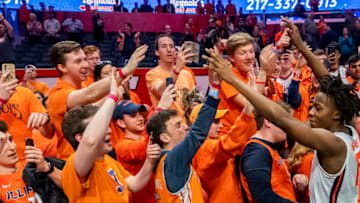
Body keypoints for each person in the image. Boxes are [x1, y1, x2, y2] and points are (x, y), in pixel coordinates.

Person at [203, 16, 360, 202]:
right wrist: (301, 46)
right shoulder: (350, 128)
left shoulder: (332, 143)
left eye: (317, 108)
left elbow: (282, 118)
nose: (311, 112)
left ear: (336, 114)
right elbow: (329, 82)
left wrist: (232, 79)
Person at [61, 71, 161, 202]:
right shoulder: (74, 164)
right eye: (99, 127)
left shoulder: (110, 162)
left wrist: (149, 161)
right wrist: (112, 97)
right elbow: (91, 141)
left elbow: (135, 184)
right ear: (80, 138)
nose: (108, 130)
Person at [47, 41, 148, 160]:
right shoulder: (58, 93)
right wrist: (124, 72)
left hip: (94, 156)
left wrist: (113, 96)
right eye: (78, 61)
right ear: (62, 67)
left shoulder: (82, 87)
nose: (85, 65)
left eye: (84, 59)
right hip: (73, 160)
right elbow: (91, 94)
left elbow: (92, 108)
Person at [147, 79, 220, 202]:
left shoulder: (161, 162)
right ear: (164, 137)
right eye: (178, 125)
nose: (186, 127)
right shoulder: (173, 160)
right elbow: (197, 133)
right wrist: (215, 88)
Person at [191, 70, 257, 202]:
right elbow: (229, 142)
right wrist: (249, 105)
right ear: (201, 124)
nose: (221, 126)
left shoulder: (202, 145)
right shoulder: (205, 148)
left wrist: (215, 85)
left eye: (220, 121)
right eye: (215, 122)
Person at [240, 101, 297, 202]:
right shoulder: (257, 152)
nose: (288, 128)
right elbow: (261, 195)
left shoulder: (266, 148)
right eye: (285, 122)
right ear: (268, 122)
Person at [0, 120, 61, 203]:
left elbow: (72, 184)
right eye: (2, 144)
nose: (12, 147)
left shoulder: (34, 166)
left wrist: (47, 168)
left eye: (10, 140)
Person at [112, 100, 157, 203]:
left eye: (141, 115)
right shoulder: (121, 146)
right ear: (121, 123)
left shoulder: (145, 137)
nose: (141, 118)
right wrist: (158, 111)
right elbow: (145, 149)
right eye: (133, 116)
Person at [0, 71, 51, 161]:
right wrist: (1, 100)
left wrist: (45, 119)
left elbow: (48, 133)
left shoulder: (25, 93)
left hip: (24, 160)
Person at [145, 35, 195, 120]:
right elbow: (161, 91)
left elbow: (193, 100)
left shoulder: (186, 74)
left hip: (185, 128)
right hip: (165, 127)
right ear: (157, 52)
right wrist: (176, 71)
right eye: (164, 46)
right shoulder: (152, 74)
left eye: (171, 46)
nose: (169, 50)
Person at [217, 32, 255, 134]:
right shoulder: (228, 78)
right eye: (243, 53)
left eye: (251, 51)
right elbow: (250, 105)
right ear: (231, 57)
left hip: (246, 135)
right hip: (230, 138)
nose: (249, 57)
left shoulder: (249, 75)